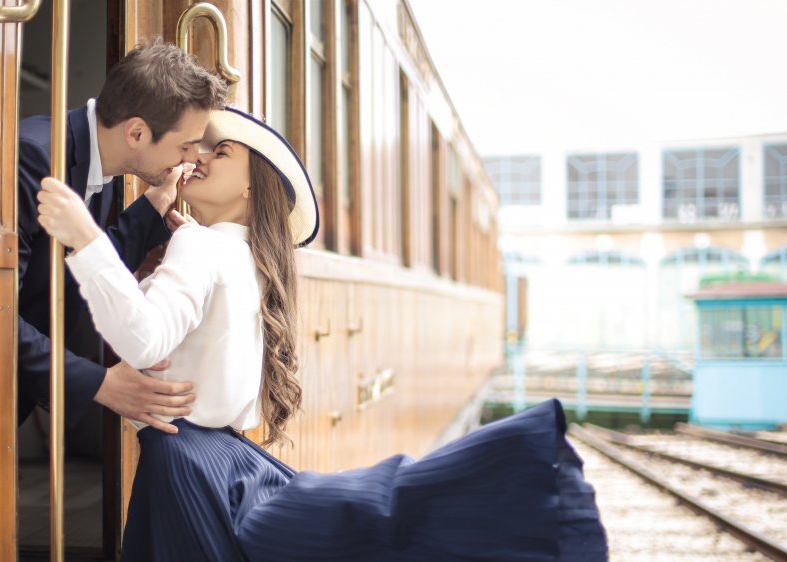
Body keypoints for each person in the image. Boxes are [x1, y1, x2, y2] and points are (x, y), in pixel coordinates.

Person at [37, 107, 608, 560]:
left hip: (183, 465)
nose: (201, 157)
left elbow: (142, 340)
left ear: (251, 189)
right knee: (381, 515)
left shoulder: (201, 247)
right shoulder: (247, 261)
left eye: (221, 151)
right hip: (228, 460)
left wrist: (87, 239)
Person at [17, 41, 227, 431]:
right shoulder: (34, 158)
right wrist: (101, 385)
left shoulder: (107, 165)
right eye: (185, 145)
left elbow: (76, 273)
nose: (191, 159)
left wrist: (153, 207)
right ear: (136, 132)